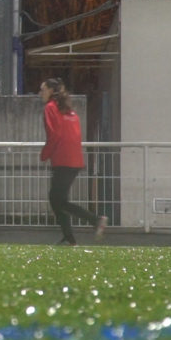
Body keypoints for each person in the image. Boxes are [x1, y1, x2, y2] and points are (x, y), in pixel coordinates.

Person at [39, 78, 107, 245]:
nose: (40, 93)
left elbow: (54, 135)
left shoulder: (50, 108)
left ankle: (95, 221)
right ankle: (69, 237)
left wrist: (44, 154)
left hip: (62, 160)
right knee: (58, 199)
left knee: (57, 200)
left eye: (43, 90)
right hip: (75, 160)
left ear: (50, 91)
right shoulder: (70, 111)